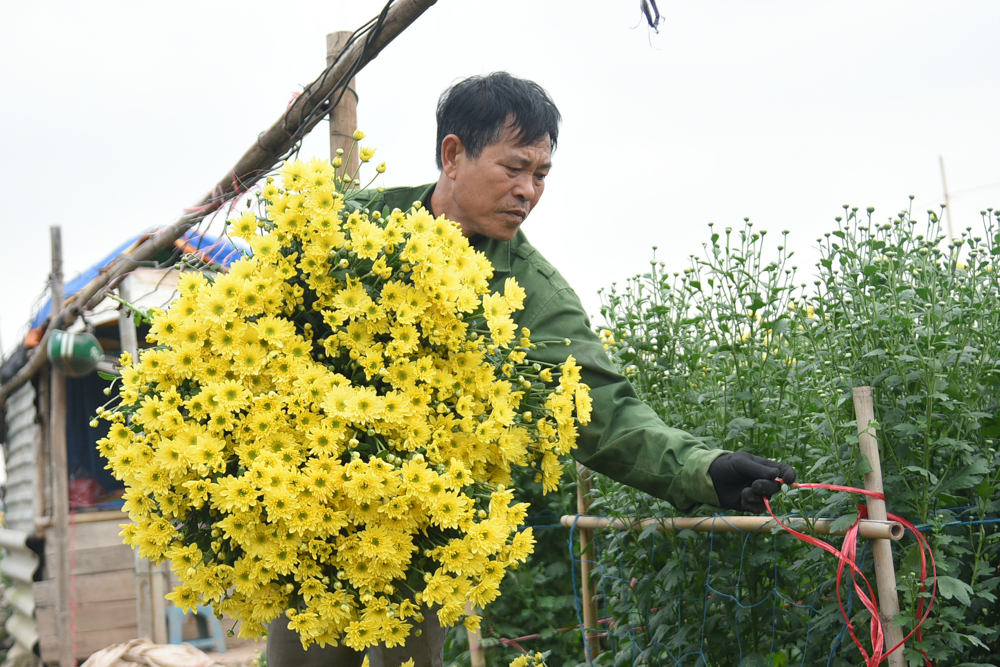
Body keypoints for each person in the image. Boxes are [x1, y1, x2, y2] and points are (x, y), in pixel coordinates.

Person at [267, 72, 797, 667]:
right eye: (513, 168)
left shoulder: (532, 292)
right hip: (300, 519)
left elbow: (602, 408)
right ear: (453, 154)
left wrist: (705, 468)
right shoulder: (351, 227)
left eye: (541, 175)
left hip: (409, 536)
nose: (528, 191)